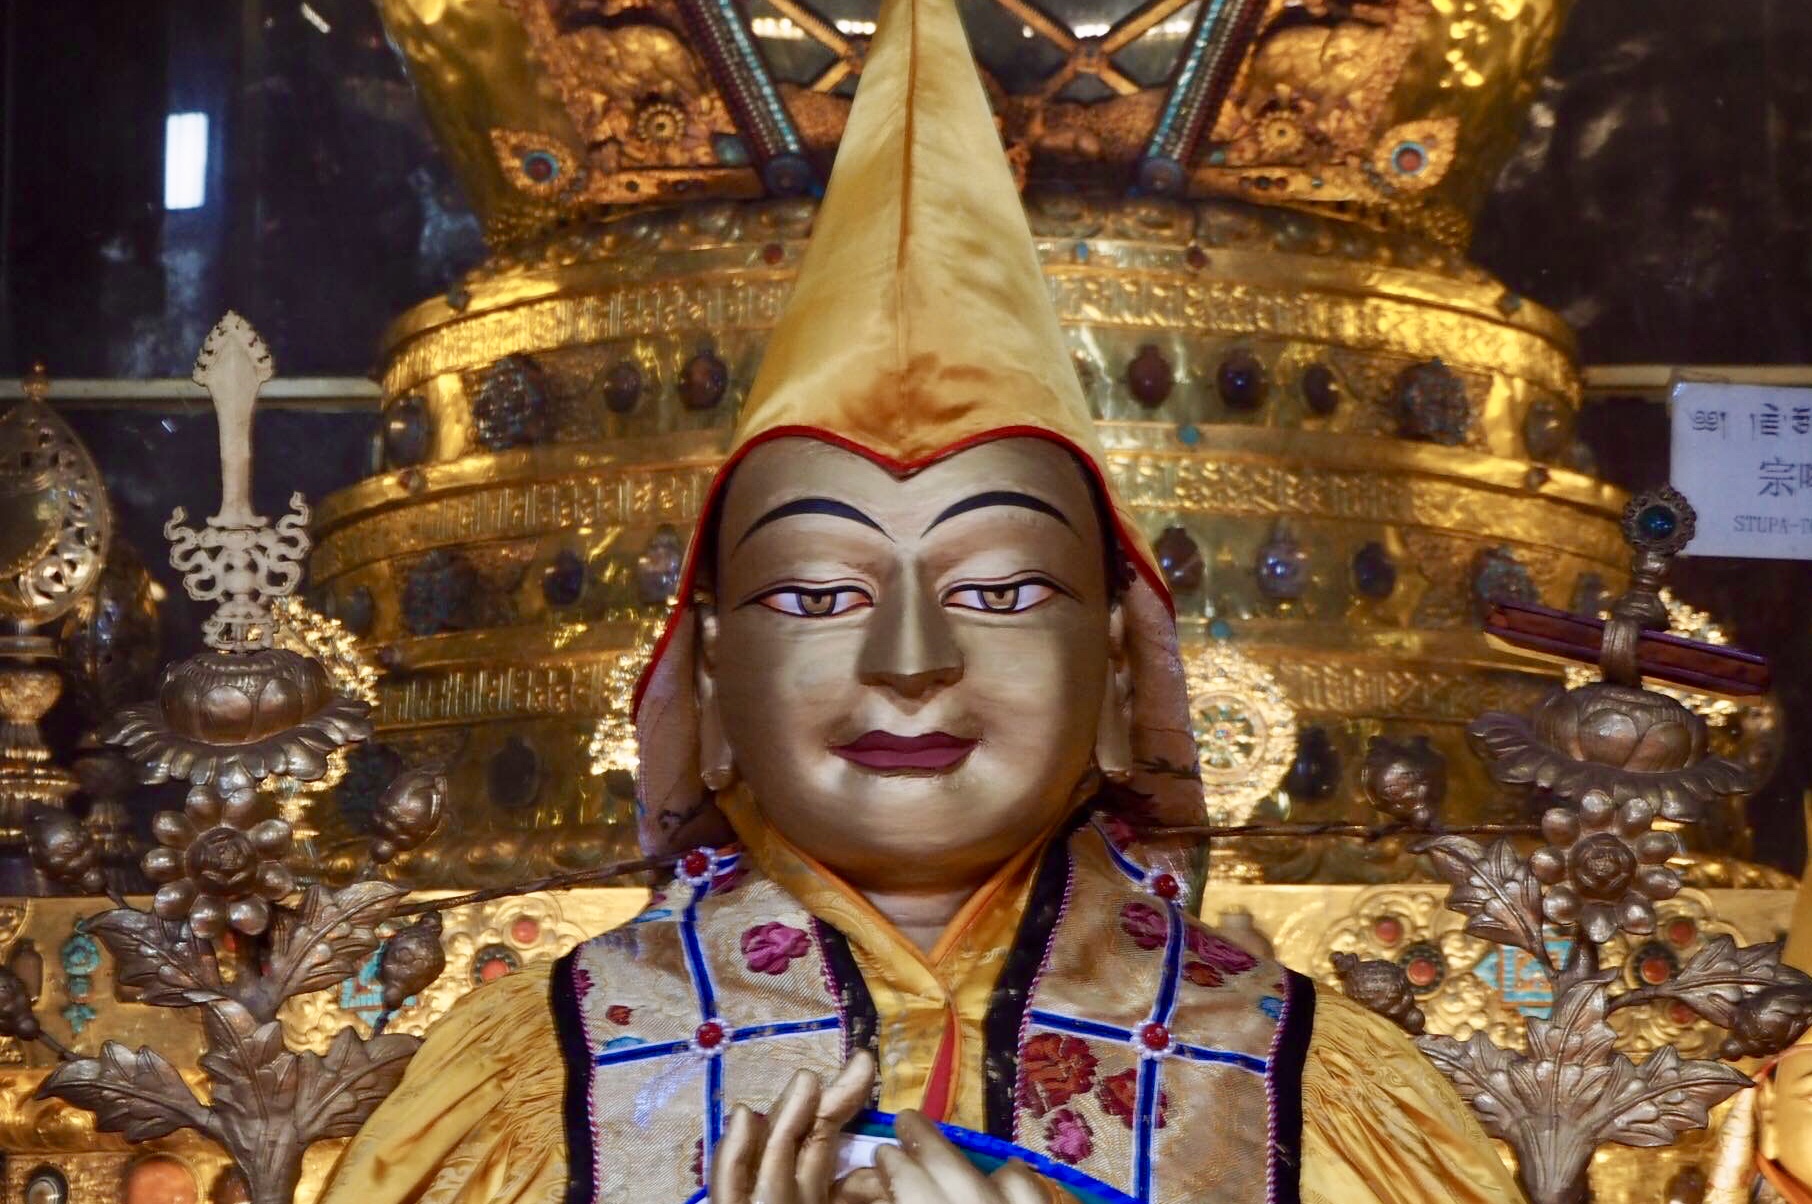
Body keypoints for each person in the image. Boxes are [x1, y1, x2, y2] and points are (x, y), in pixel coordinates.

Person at [320, 0, 1521, 1198]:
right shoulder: (533, 1083)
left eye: (999, 588)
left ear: (1117, 670)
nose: (909, 658)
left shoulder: (1304, 1087)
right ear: (703, 682)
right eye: (813, 596)